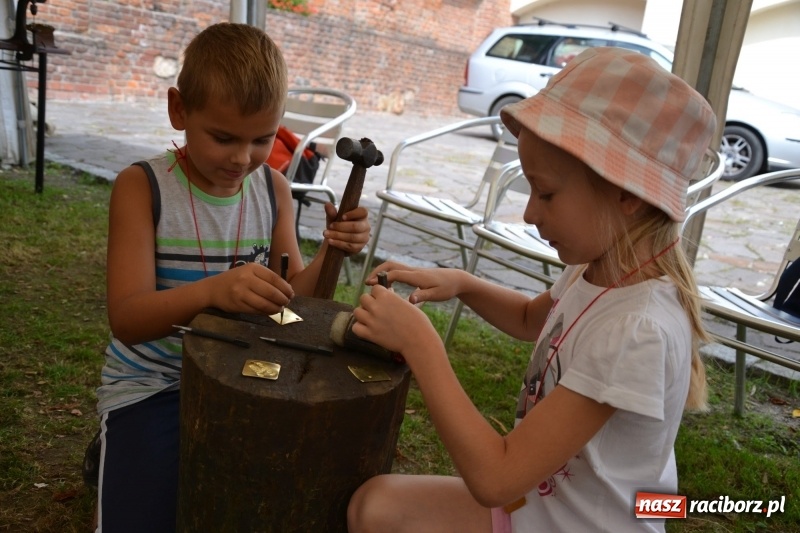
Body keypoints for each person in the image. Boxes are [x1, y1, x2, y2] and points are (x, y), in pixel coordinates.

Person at [347, 47, 716, 533]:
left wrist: (421, 345)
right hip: (540, 505)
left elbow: (496, 478)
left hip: (577, 525)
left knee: (376, 512)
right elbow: (528, 319)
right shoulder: (597, 268)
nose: (528, 213)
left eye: (546, 193)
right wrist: (463, 284)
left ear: (627, 194)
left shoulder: (636, 330)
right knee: (372, 507)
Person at [93, 23, 369, 532]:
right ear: (179, 110)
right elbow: (128, 320)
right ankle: (118, 447)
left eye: (262, 139)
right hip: (155, 383)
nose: (242, 158)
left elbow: (292, 298)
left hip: (248, 377)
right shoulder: (142, 188)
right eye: (223, 138)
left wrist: (332, 248)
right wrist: (214, 292)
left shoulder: (273, 189)